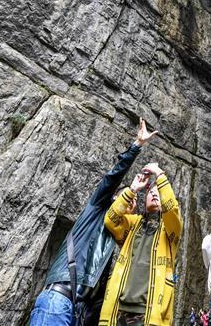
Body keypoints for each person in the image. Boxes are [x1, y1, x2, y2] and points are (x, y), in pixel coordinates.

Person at [29, 118, 158, 326]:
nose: (131, 202)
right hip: (58, 300)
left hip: (79, 312)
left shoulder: (117, 238)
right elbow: (111, 178)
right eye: (127, 196)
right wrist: (137, 145)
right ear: (113, 198)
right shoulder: (96, 210)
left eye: (134, 202)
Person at [98, 161, 182, 326]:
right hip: (118, 308)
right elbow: (110, 220)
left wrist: (159, 174)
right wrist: (133, 189)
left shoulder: (170, 230)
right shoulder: (132, 223)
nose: (155, 194)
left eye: (159, 191)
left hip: (149, 312)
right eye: (151, 191)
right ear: (145, 199)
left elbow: (172, 210)